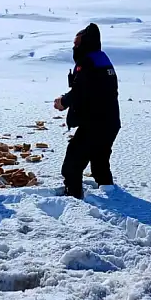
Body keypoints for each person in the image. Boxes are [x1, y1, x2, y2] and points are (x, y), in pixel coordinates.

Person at [54, 23, 121, 199]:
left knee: (72, 164)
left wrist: (63, 102)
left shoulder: (88, 62)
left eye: (77, 44)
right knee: (100, 163)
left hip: (95, 123)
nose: (74, 48)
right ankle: (112, 197)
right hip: (110, 122)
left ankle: (74, 199)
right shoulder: (102, 59)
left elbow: (80, 91)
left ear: (86, 43)